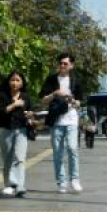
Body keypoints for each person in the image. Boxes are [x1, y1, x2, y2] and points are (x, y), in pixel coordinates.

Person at [39, 53, 84, 193]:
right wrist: (55, 93)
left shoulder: (76, 81)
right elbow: (43, 100)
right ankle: (61, 182)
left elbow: (79, 103)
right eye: (60, 63)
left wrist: (73, 101)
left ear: (71, 65)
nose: (62, 65)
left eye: (65, 63)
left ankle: (75, 180)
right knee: (58, 153)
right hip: (56, 121)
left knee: (72, 148)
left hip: (71, 119)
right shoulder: (51, 80)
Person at [0, 70, 33, 198]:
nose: (15, 83)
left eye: (18, 80)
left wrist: (30, 115)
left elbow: (30, 111)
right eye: (12, 80)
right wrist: (15, 104)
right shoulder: (2, 95)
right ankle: (9, 185)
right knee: (8, 159)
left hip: (21, 130)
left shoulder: (26, 97)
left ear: (22, 83)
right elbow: (1, 111)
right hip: (6, 129)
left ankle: (19, 185)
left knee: (20, 158)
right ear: (8, 81)